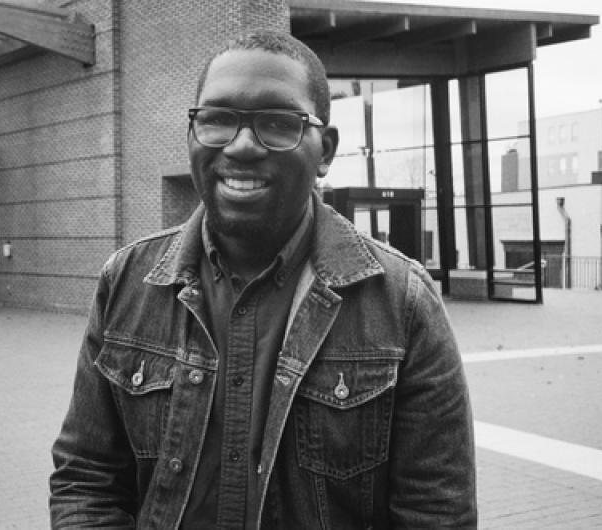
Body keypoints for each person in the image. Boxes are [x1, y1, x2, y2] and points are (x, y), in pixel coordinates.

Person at [49, 30, 476, 529]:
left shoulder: (402, 303)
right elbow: (86, 478)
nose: (243, 146)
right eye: (217, 120)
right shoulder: (126, 282)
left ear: (326, 150)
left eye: (277, 123)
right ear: (192, 135)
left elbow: (436, 514)